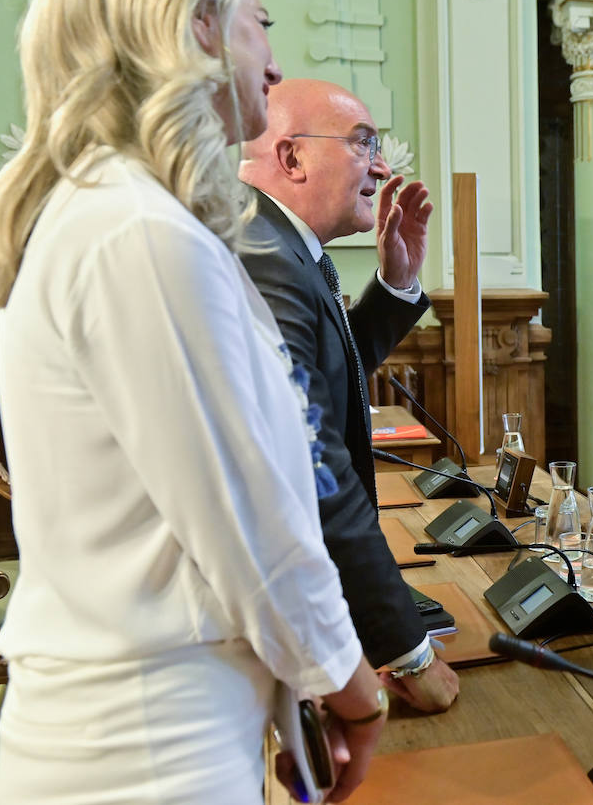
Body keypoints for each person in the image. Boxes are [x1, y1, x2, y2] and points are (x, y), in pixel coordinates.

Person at [0, 0, 383, 804]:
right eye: (259, 24)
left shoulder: (129, 215)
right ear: (197, 22)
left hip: (168, 723)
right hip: (144, 750)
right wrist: (352, 687)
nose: (273, 64)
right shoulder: (135, 230)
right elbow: (246, 519)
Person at [239, 78, 460, 712]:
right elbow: (311, 468)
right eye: (363, 143)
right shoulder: (265, 257)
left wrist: (397, 282)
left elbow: (329, 370)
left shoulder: (285, 246)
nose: (383, 165)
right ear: (292, 157)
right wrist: (406, 650)